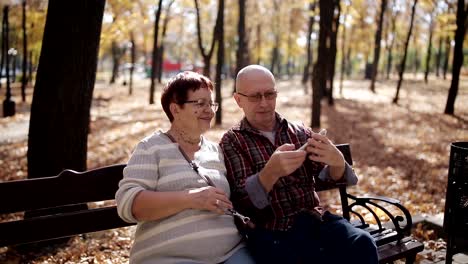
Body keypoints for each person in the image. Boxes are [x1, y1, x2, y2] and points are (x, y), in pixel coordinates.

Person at [220, 65, 378, 264]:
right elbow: (242, 204)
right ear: (238, 100)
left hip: (316, 221)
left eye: (270, 94)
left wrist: (337, 162)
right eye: (255, 97)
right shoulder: (233, 141)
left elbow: (330, 176)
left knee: (362, 243)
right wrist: (270, 173)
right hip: (273, 232)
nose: (264, 103)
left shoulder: (298, 131)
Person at [116, 71, 254, 264]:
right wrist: (191, 198)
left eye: (211, 103)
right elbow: (129, 205)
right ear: (175, 109)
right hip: (169, 257)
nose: (209, 111)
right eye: (199, 103)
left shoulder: (216, 150)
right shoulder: (151, 148)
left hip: (230, 253)